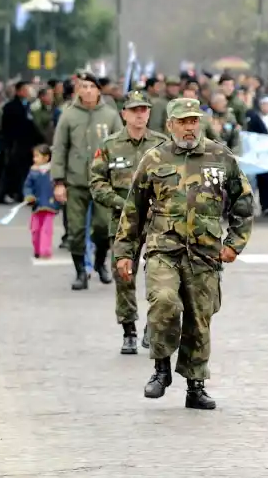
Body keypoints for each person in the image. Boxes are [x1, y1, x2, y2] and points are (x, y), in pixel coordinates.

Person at [113, 98, 255, 410]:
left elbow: (243, 203)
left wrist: (234, 243)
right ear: (170, 125)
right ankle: (161, 369)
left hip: (205, 254)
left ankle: (196, 386)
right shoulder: (154, 159)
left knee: (199, 319)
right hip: (164, 249)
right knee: (163, 302)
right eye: (183, 121)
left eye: (193, 121)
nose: (189, 127)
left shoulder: (220, 156)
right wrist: (124, 252)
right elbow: (133, 210)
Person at [89, 90, 170, 355]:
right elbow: (97, 183)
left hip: (157, 221)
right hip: (124, 222)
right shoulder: (110, 145)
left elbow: (175, 181)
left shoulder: (161, 145)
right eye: (134, 110)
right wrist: (121, 204)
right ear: (124, 114)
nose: (139, 115)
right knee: (124, 275)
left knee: (161, 276)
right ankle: (129, 330)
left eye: (143, 110)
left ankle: (152, 324)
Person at [51, 71, 123, 290]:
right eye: (84, 87)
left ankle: (100, 263)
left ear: (99, 90)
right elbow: (60, 148)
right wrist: (59, 182)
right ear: (78, 90)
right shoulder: (69, 115)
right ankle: (80, 271)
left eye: (92, 87)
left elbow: (119, 148)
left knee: (102, 227)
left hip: (103, 182)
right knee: (76, 230)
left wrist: (120, 180)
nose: (88, 91)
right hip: (75, 181)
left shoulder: (110, 115)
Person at [23, 144, 60, 260]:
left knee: (46, 229)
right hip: (37, 205)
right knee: (35, 229)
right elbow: (27, 186)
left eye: (37, 156)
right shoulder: (33, 172)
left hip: (50, 205)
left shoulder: (53, 172)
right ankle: (37, 249)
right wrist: (29, 196)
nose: (35, 159)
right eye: (34, 156)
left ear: (46, 157)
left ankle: (45, 251)